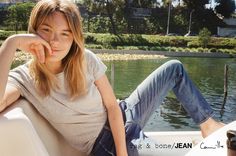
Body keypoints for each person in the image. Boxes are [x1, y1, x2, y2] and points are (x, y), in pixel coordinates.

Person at [0, 0, 224, 156]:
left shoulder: (85, 59)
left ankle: (208, 124)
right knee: (180, 151)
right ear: (32, 32)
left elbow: (111, 106)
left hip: (124, 112)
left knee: (174, 68)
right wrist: (11, 44)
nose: (54, 41)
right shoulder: (24, 78)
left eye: (64, 33)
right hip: (104, 144)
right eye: (46, 30)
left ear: (74, 37)